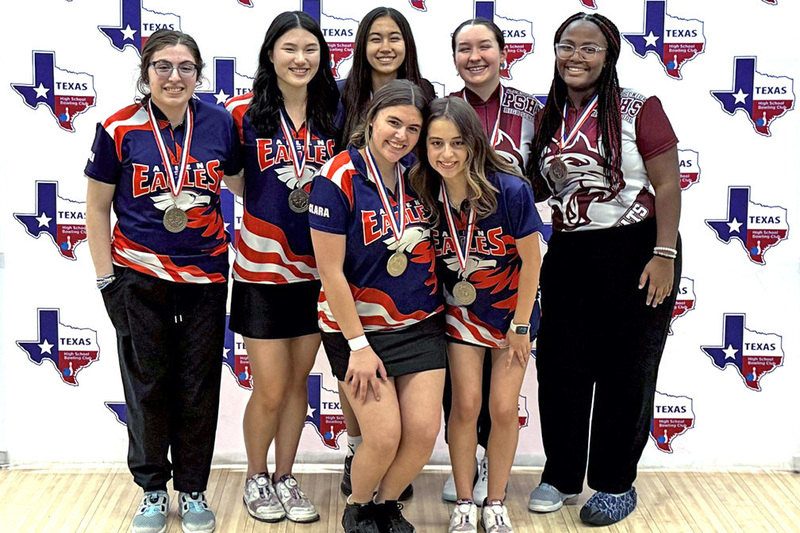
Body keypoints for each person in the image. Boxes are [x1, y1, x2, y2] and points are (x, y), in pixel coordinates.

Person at [525, 12, 682, 526]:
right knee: (560, 367)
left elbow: (668, 185)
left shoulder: (639, 106)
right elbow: (543, 185)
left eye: (589, 48)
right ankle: (561, 475)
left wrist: (664, 254)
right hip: (571, 251)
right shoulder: (548, 114)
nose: (576, 56)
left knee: (627, 371)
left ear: (609, 55)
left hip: (638, 250)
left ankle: (616, 483)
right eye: (567, 45)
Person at [85, 29, 242, 533]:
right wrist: (106, 280)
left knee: (198, 386)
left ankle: (193, 489)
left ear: (199, 74)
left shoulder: (219, 123)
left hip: (205, 275)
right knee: (147, 386)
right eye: (164, 67)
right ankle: (152, 490)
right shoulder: (118, 128)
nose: (175, 77)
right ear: (146, 72)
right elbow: (96, 207)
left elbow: (242, 183)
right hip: (138, 277)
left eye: (186, 67)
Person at [309, 79, 442, 533]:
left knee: (422, 435)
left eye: (413, 129)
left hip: (420, 323)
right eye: (393, 123)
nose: (401, 136)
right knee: (383, 437)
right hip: (357, 331)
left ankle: (386, 506)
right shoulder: (337, 176)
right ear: (371, 120)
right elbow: (330, 272)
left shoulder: (419, 175)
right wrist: (359, 346)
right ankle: (359, 507)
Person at [224, 11, 339, 525]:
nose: (300, 58)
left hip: (318, 273)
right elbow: (234, 180)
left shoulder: (335, 113)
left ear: (323, 56)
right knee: (269, 387)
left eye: (310, 49)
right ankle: (255, 476)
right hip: (261, 271)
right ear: (270, 53)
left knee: (297, 384)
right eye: (289, 48)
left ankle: (285, 476)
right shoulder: (240, 113)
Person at [410, 96, 542, 533]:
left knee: (503, 408)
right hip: (458, 316)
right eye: (436, 143)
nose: (446, 154)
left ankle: (496, 501)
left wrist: (521, 324)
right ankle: (465, 501)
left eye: (457, 143)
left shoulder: (510, 190)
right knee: (465, 405)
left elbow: (532, 261)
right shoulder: (421, 190)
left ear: (474, 143)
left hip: (510, 314)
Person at [335, 5, 436, 501]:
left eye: (394, 37)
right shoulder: (341, 96)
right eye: (375, 37)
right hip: (352, 256)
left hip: (412, 278)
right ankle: (358, 452)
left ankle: (385, 476)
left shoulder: (426, 96)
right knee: (366, 395)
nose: (385, 47)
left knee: (414, 425)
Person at [442, 17, 544, 505]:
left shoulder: (532, 111)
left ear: (505, 52)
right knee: (463, 397)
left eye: (485, 46)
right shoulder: (442, 110)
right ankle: (468, 468)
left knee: (503, 401)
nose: (475, 56)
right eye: (464, 48)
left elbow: (546, 176)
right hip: (458, 274)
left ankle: (492, 478)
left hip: (511, 265)